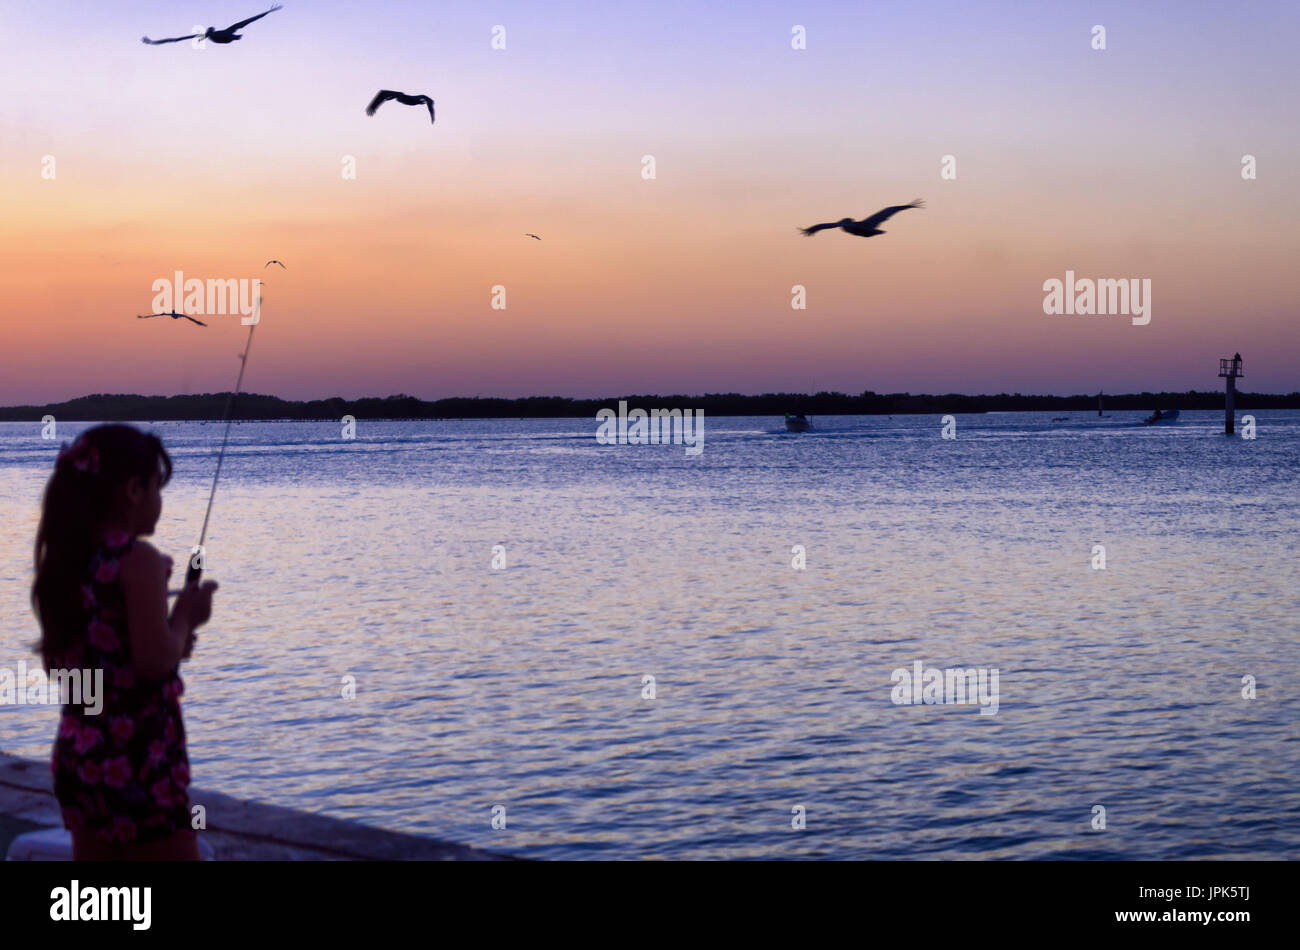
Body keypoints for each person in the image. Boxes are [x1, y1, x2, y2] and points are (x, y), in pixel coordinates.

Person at [31, 424, 217, 860]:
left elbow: (68, 668)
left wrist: (165, 634)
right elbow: (155, 663)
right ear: (133, 490)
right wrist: (186, 617)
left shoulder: (66, 561)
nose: (159, 499)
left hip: (80, 757)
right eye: (157, 486)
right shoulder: (138, 560)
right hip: (137, 762)